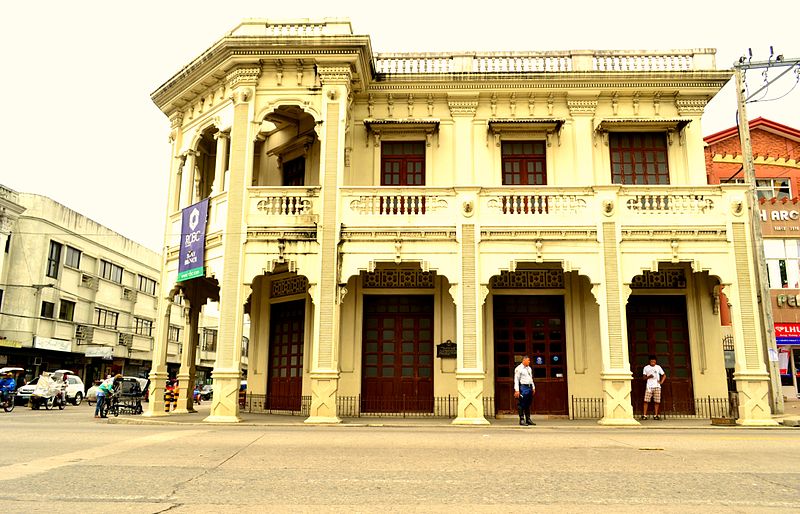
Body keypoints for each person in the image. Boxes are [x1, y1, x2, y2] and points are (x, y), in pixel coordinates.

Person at [641, 355, 666, 420]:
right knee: (646, 401)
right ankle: (644, 415)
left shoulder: (658, 367)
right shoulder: (646, 368)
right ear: (649, 361)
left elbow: (664, 375)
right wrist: (649, 377)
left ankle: (656, 415)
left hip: (657, 386)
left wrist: (661, 382)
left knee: (657, 401)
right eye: (651, 361)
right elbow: (643, 378)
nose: (653, 363)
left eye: (654, 361)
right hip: (649, 387)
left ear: (655, 361)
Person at [513, 356, 536, 426]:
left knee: (528, 404)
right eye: (528, 360)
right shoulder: (519, 369)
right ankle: (522, 419)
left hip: (529, 387)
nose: (529, 362)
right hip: (523, 387)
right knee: (521, 403)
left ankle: (528, 419)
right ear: (524, 360)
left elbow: (531, 378)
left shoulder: (529, 368)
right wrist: (517, 390)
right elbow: (516, 380)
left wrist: (533, 387)